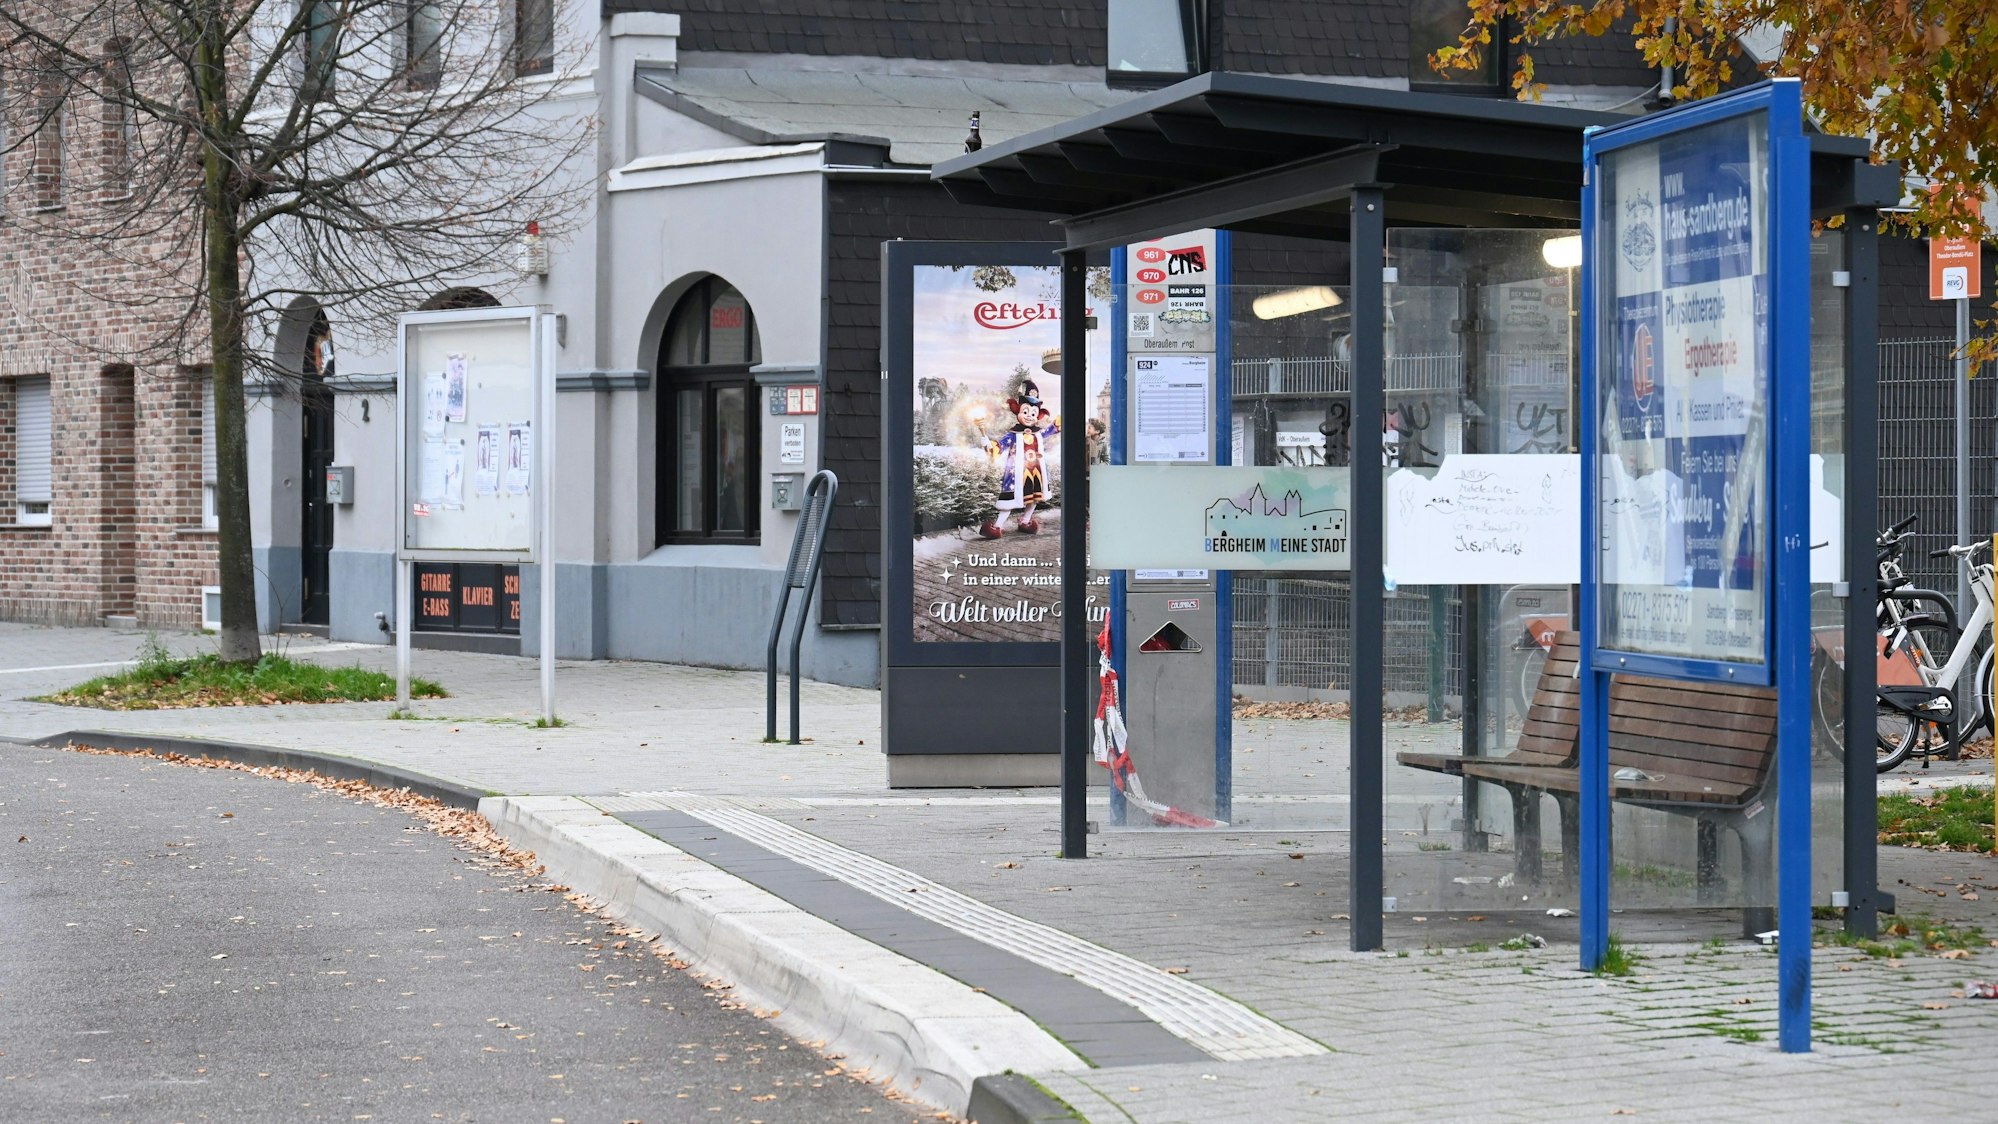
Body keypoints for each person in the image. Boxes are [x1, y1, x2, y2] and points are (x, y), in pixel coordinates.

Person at [979, 380, 1058, 538]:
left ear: (1038, 415)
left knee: (1034, 498)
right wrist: (986, 441)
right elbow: (999, 447)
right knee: (1008, 501)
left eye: (1033, 413)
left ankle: (1026, 521)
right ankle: (997, 526)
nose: (1029, 416)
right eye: (1026, 412)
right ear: (1018, 412)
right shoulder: (1013, 435)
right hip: (1016, 473)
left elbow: (1052, 429)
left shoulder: (1038, 433)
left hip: (1036, 472)